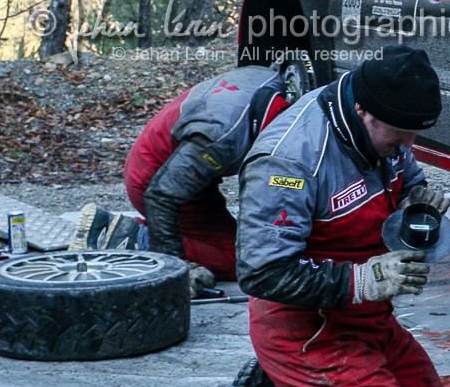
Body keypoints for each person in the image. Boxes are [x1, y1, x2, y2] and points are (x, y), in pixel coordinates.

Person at [195, 45, 450, 387]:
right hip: (306, 330)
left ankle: (282, 385)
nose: (408, 147)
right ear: (364, 112)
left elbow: (403, 174)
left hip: (369, 321)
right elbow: (261, 273)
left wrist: (417, 199)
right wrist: (362, 280)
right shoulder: (289, 161)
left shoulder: (384, 122)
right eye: (400, 137)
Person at [74, 65, 290, 293]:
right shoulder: (221, 138)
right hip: (154, 179)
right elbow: (161, 196)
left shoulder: (271, 79)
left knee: (249, 247)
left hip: (188, 171)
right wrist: (171, 272)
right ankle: (136, 239)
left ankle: (125, 231)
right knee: (243, 261)